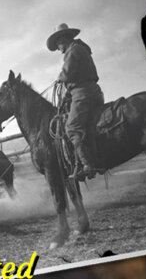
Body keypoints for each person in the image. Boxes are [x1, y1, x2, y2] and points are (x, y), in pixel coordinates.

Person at [48, 22, 103, 180]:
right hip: (93, 91)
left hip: (83, 94)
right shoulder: (81, 48)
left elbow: (67, 74)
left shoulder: (72, 51)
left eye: (58, 44)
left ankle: (87, 164)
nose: (58, 49)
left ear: (62, 39)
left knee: (72, 128)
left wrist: (59, 78)